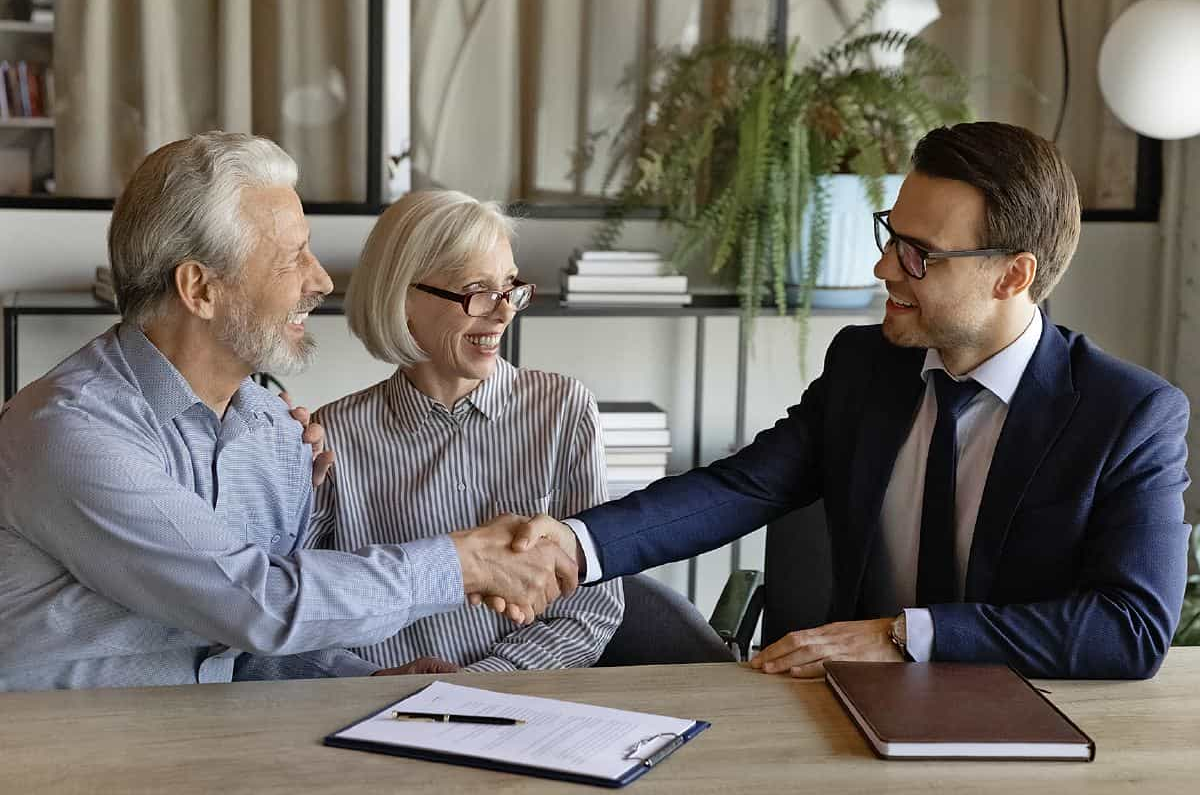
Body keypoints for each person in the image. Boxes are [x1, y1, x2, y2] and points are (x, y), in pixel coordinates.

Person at [516, 121, 1191, 680]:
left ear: (1013, 275)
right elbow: (740, 488)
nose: (884, 268)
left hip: (1029, 729)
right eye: (890, 235)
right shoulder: (865, 366)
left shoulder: (1127, 415)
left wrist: (905, 636)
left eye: (919, 254)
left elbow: (1128, 627)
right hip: (845, 711)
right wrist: (577, 542)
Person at [0, 132, 576, 692]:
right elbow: (259, 604)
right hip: (60, 754)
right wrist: (464, 563)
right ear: (199, 289)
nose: (321, 280)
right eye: (291, 258)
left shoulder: (278, 433)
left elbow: (242, 652)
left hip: (212, 744)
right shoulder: (70, 431)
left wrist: (363, 682)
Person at [304, 190, 623, 673]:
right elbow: (301, 609)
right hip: (370, 710)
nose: (504, 312)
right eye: (478, 290)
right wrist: (372, 679)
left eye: (510, 287)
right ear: (404, 297)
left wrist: (482, 682)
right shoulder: (333, 436)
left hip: (524, 711)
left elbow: (593, 606)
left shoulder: (562, 410)